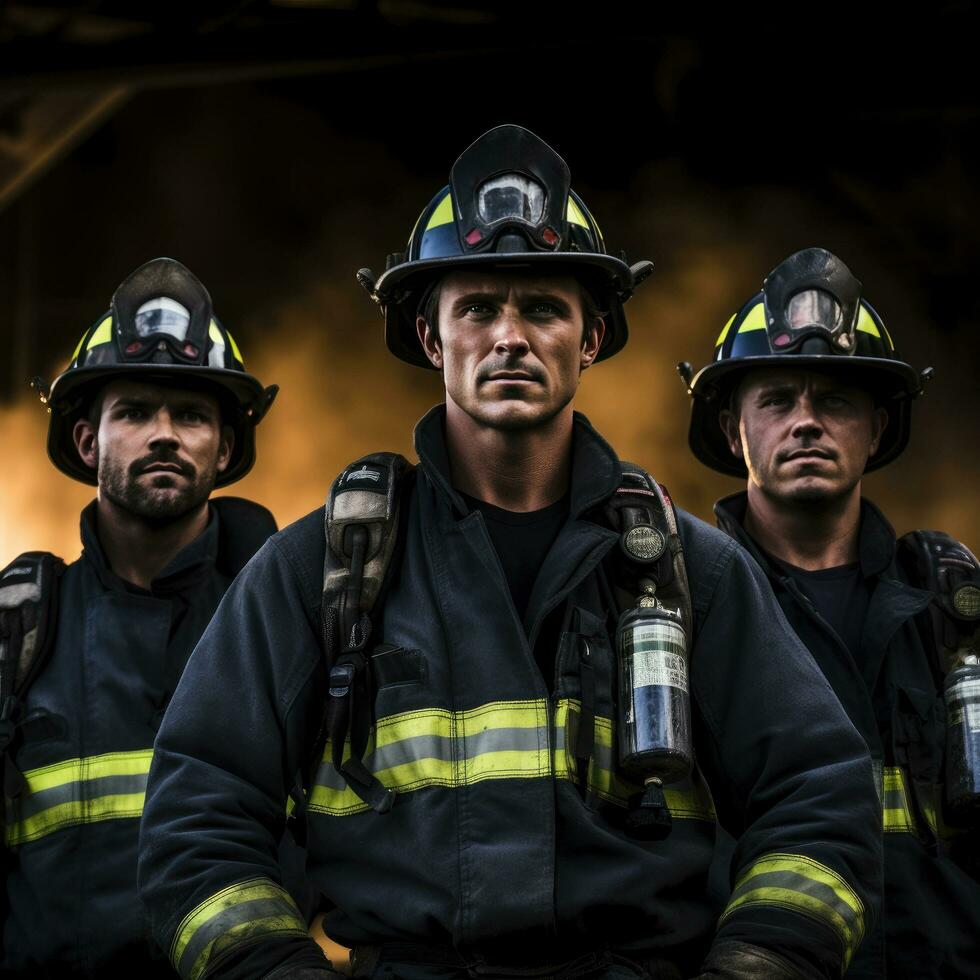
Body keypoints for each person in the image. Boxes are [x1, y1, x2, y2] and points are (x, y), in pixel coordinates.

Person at [138, 127, 882, 980]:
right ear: (431, 339)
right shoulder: (319, 570)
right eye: (479, 308)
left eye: (543, 309)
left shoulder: (689, 572)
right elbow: (197, 816)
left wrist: (756, 965)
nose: (510, 338)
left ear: (590, 340)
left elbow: (819, 797)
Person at [681, 246, 980, 977]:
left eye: (837, 401)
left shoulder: (953, 611)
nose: (806, 423)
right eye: (778, 400)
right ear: (733, 431)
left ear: (877, 430)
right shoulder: (675, 605)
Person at [0, 258, 282, 977]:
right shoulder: (21, 635)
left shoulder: (289, 623)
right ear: (88, 442)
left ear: (224, 448)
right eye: (134, 412)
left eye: (190, 414)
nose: (164, 434)